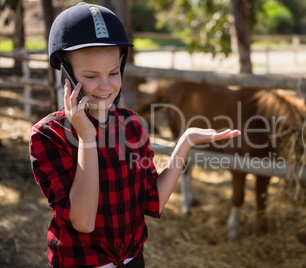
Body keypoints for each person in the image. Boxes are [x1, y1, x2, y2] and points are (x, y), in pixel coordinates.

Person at [29, 3, 240, 268]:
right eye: (92, 76)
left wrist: (184, 144)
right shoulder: (48, 135)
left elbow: (153, 202)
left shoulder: (131, 125)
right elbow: (82, 221)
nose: (106, 86)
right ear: (67, 74)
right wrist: (87, 138)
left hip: (132, 261)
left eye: (114, 73)